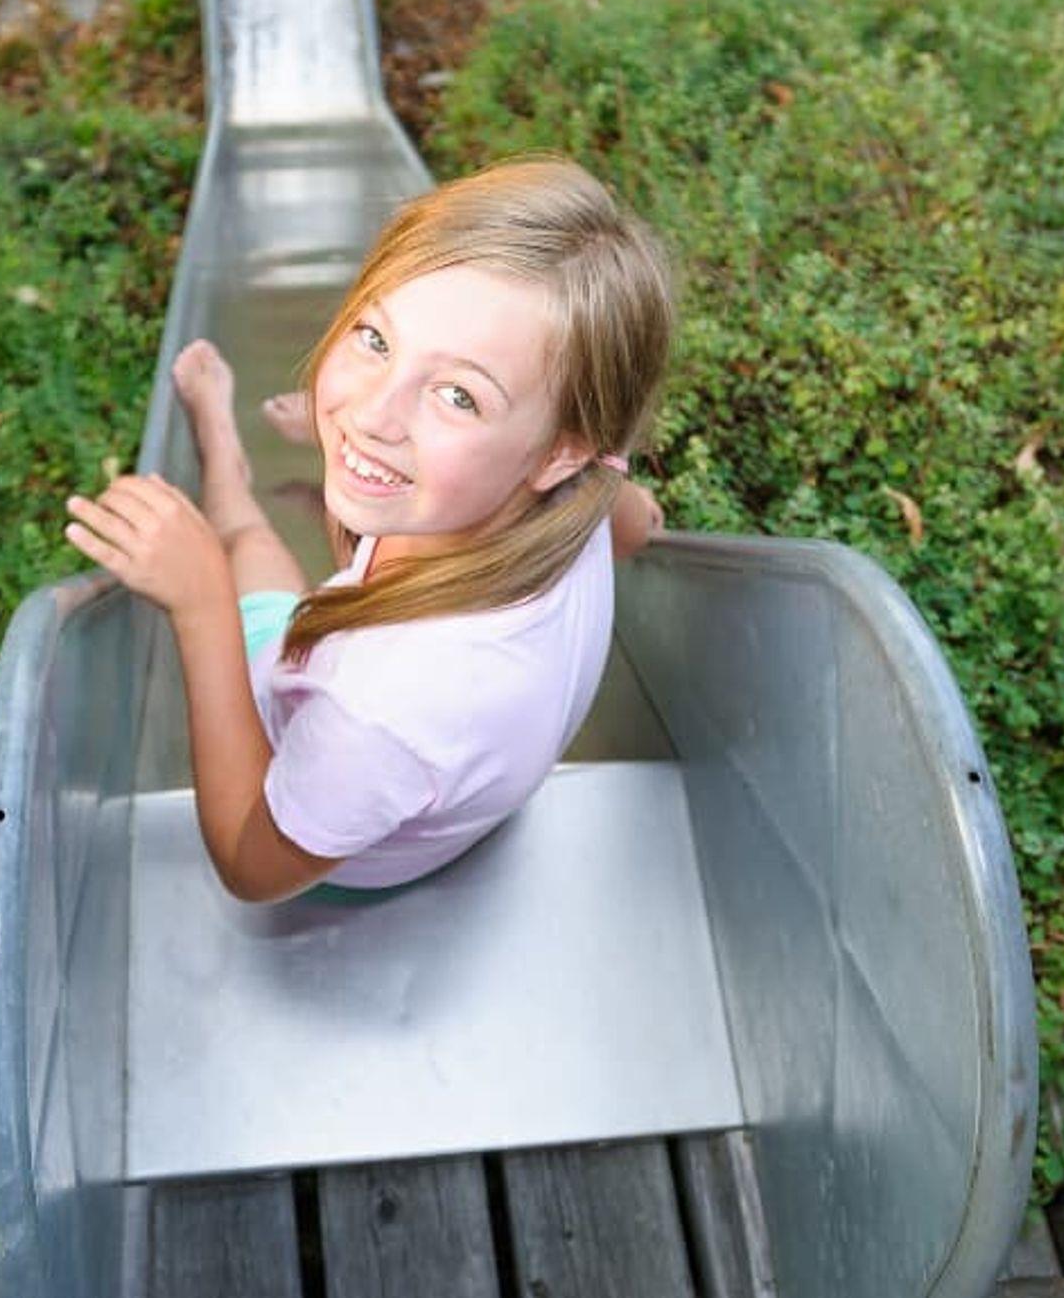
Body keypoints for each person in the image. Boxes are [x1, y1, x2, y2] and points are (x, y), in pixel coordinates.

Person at [62, 156, 674, 903]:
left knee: (242, 544)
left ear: (559, 453)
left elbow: (250, 867)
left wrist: (201, 607)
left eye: (459, 396)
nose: (373, 413)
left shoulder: (380, 710)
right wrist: (372, 442)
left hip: (326, 832)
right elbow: (638, 523)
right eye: (376, 339)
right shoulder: (584, 485)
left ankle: (222, 454)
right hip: (414, 782)